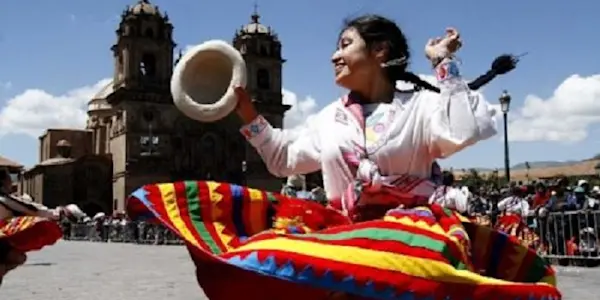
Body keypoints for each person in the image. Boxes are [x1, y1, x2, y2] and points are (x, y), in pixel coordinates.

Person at [128, 15, 559, 300]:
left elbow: (465, 129)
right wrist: (247, 111)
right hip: (350, 242)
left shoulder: (422, 105)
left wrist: (444, 66)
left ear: (380, 52)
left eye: (346, 44)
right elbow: (282, 159)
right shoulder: (331, 118)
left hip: (416, 243)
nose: (334, 54)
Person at [0, 168, 83, 285]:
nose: (12, 183)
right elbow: (31, 209)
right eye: (9, 179)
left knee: (15, 258)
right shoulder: (5, 199)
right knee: (17, 258)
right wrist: (57, 213)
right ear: (3, 181)